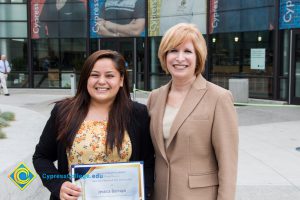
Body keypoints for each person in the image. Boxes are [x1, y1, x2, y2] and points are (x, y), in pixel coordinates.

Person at [33, 50, 154, 200]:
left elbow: (148, 162)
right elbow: (41, 157)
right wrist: (58, 185)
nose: (101, 81)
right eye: (95, 75)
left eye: (110, 75)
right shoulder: (64, 112)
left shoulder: (138, 114)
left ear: (121, 80)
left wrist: (144, 194)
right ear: (85, 79)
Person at [147, 23, 239, 200]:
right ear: (164, 56)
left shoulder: (219, 98)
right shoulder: (154, 97)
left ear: (198, 57)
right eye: (173, 50)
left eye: (188, 51)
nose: (179, 58)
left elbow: (228, 163)